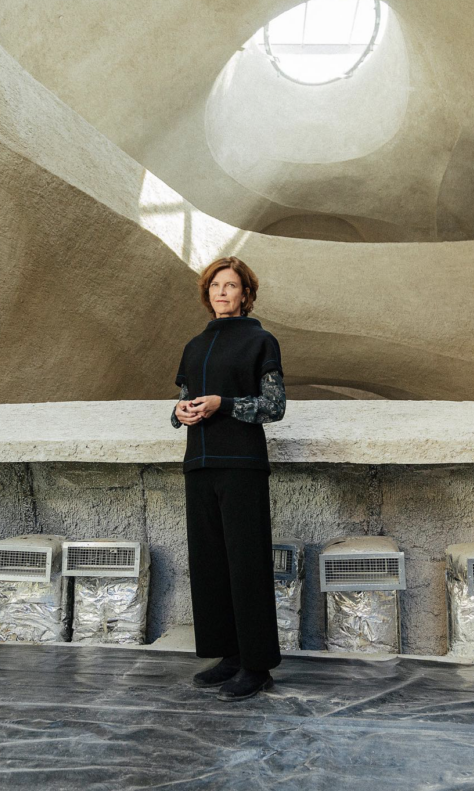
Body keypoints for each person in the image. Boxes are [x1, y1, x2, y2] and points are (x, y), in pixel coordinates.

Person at [171, 256, 286, 701]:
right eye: (215, 285)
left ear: (245, 294)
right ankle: (231, 657)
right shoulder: (194, 346)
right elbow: (185, 400)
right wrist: (180, 413)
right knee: (211, 566)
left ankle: (258, 666)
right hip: (199, 464)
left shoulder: (261, 341)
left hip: (241, 464)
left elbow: (274, 407)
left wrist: (224, 403)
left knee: (246, 565)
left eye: (231, 285)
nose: (222, 292)